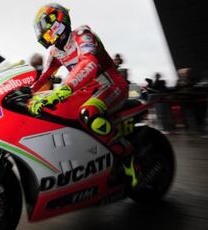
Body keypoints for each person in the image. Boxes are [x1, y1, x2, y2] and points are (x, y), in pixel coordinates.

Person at [27, 4, 138, 187]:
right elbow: (43, 77)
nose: (43, 34)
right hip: (88, 91)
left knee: (89, 113)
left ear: (58, 22)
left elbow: (89, 62)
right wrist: (26, 91)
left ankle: (127, 156)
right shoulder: (55, 51)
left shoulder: (82, 34)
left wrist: (65, 88)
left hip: (111, 84)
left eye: (45, 28)